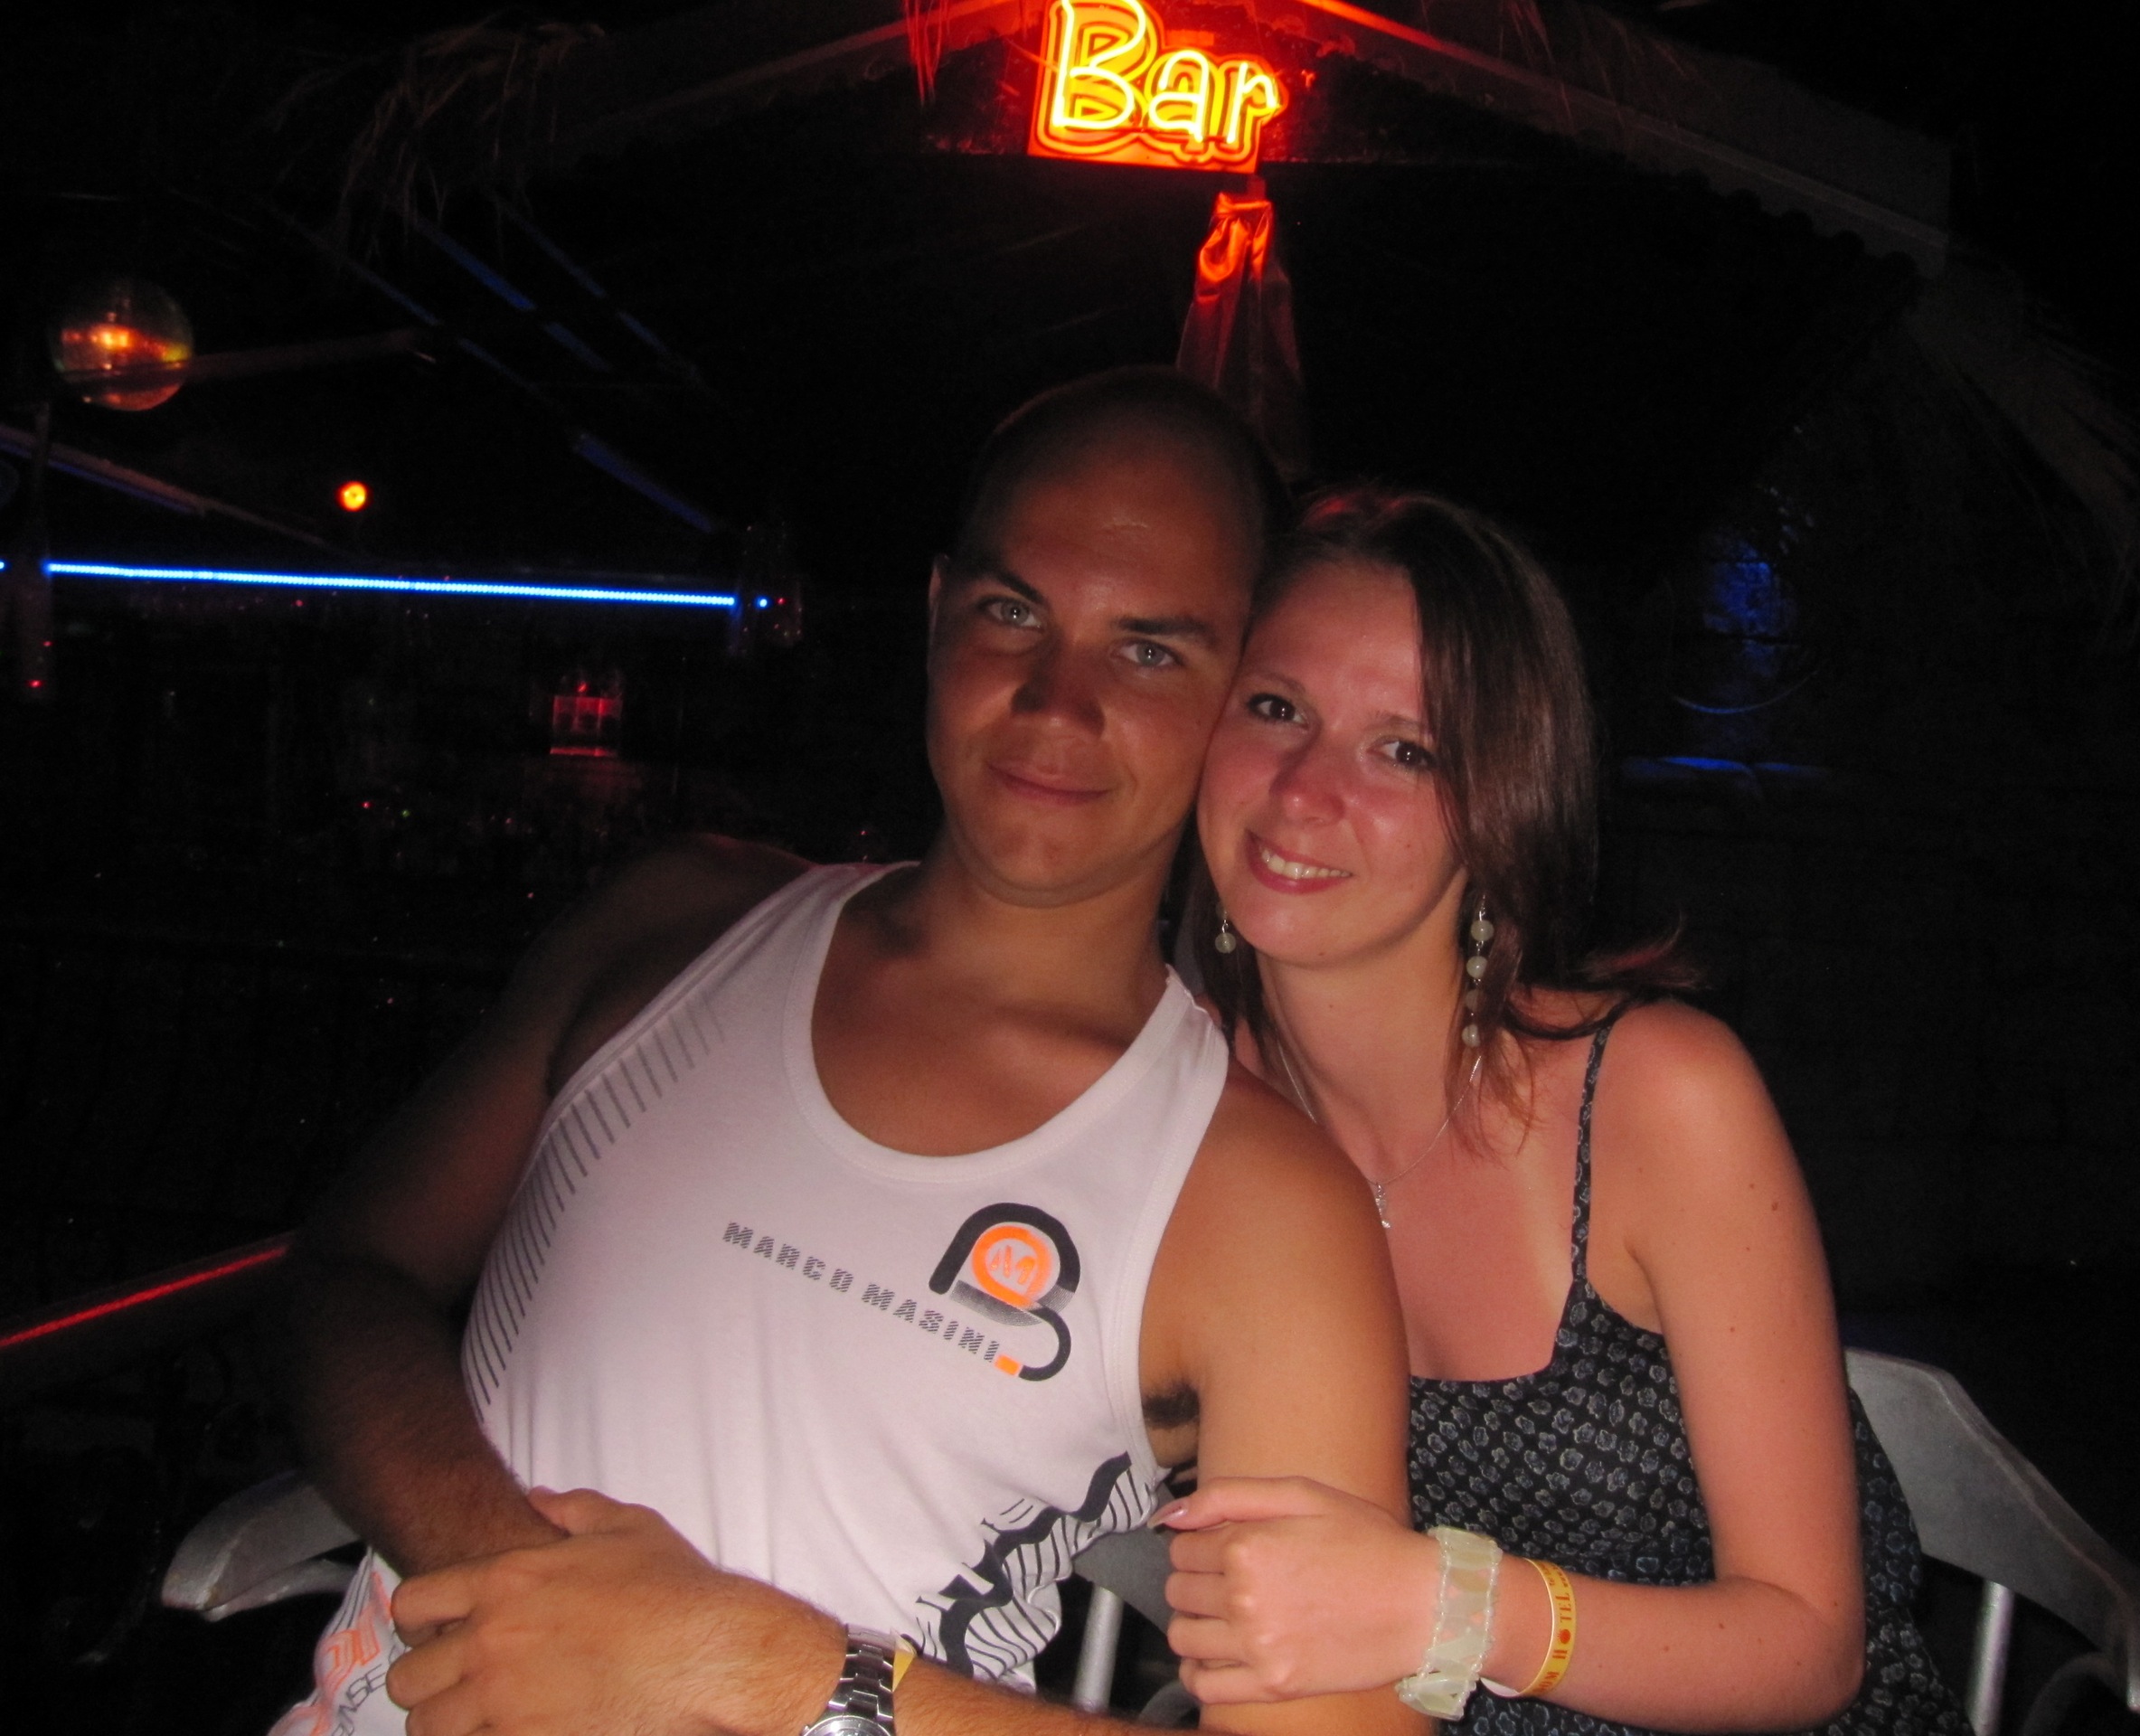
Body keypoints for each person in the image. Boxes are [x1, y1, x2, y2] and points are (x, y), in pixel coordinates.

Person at [273, 373, 1423, 1736]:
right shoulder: (680, 921)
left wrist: (758, 1672)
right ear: (938, 614)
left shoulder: (1263, 1202)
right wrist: (513, 1585)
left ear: (1241, 697)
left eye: (1150, 652)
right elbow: (352, 1270)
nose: (1056, 703)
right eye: (1014, 614)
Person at [1159, 487, 1967, 1734]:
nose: (1306, 789)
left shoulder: (1658, 1099)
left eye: (1406, 749)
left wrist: (1443, 1610)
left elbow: (1813, 1649)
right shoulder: (1184, 1104)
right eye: (1276, 708)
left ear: (1504, 803)